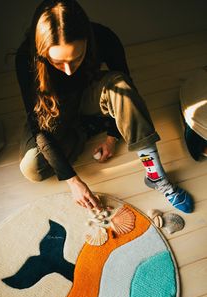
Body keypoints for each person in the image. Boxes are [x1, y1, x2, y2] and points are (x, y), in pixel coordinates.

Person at [16, 0, 193, 213]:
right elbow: (39, 130)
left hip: (89, 95)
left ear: (87, 40)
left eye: (77, 58)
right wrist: (73, 181)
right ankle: (84, 129)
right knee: (32, 168)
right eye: (57, 63)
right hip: (53, 111)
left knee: (120, 84)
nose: (69, 71)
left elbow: (126, 90)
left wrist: (112, 137)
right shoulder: (26, 57)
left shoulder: (105, 37)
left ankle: (156, 177)